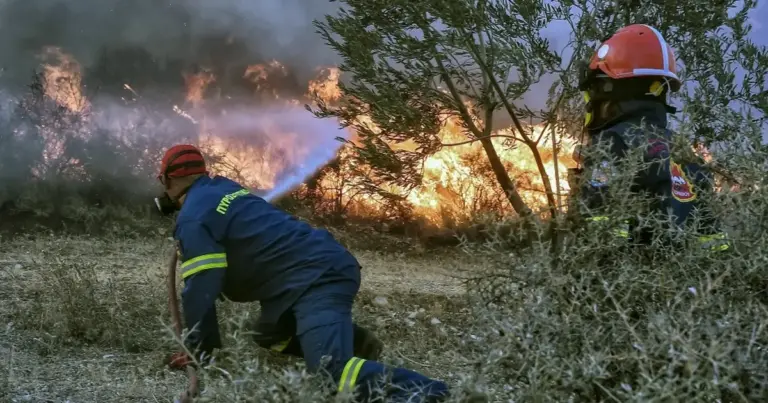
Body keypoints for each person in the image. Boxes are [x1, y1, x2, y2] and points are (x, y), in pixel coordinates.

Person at [155, 144, 458, 402]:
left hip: (317, 278)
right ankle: (355, 343)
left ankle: (436, 393)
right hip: (296, 281)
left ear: (168, 181)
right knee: (268, 333)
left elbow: (201, 287)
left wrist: (199, 351)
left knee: (333, 374)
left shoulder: (194, 219)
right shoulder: (223, 188)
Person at [569, 23, 731, 253]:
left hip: (635, 282)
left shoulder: (612, 142)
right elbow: (714, 244)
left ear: (608, 88)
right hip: (691, 284)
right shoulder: (683, 149)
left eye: (595, 86)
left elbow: (600, 239)